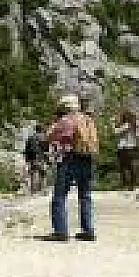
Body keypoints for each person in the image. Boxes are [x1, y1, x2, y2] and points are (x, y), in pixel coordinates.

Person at [46, 94, 98, 241]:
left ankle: (61, 231)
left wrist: (54, 123)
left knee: (60, 195)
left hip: (69, 159)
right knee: (85, 195)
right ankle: (88, 230)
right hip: (87, 158)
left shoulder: (65, 121)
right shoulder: (87, 119)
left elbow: (49, 137)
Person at [113, 109, 139, 191]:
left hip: (124, 148)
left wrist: (113, 123)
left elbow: (116, 131)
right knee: (130, 167)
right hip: (131, 147)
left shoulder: (127, 125)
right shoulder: (133, 125)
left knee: (123, 167)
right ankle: (131, 184)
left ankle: (126, 184)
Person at [23, 124, 49, 194]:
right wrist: (48, 159)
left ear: (35, 130)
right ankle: (43, 189)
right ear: (42, 130)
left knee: (33, 173)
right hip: (42, 158)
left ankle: (33, 190)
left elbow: (27, 150)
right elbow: (47, 149)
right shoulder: (45, 138)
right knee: (43, 174)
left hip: (33, 158)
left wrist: (27, 159)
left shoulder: (30, 138)